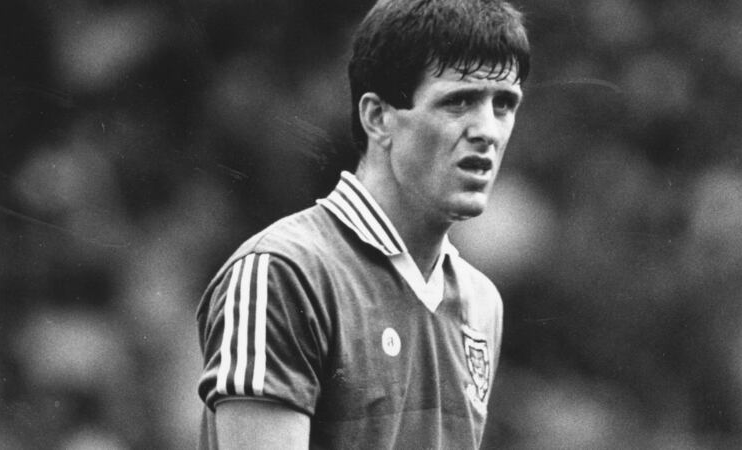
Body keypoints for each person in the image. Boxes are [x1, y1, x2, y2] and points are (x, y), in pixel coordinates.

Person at [196, 0, 530, 447]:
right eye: (459, 101)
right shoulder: (282, 273)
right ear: (377, 117)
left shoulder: (481, 302)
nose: (487, 129)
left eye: (504, 104)